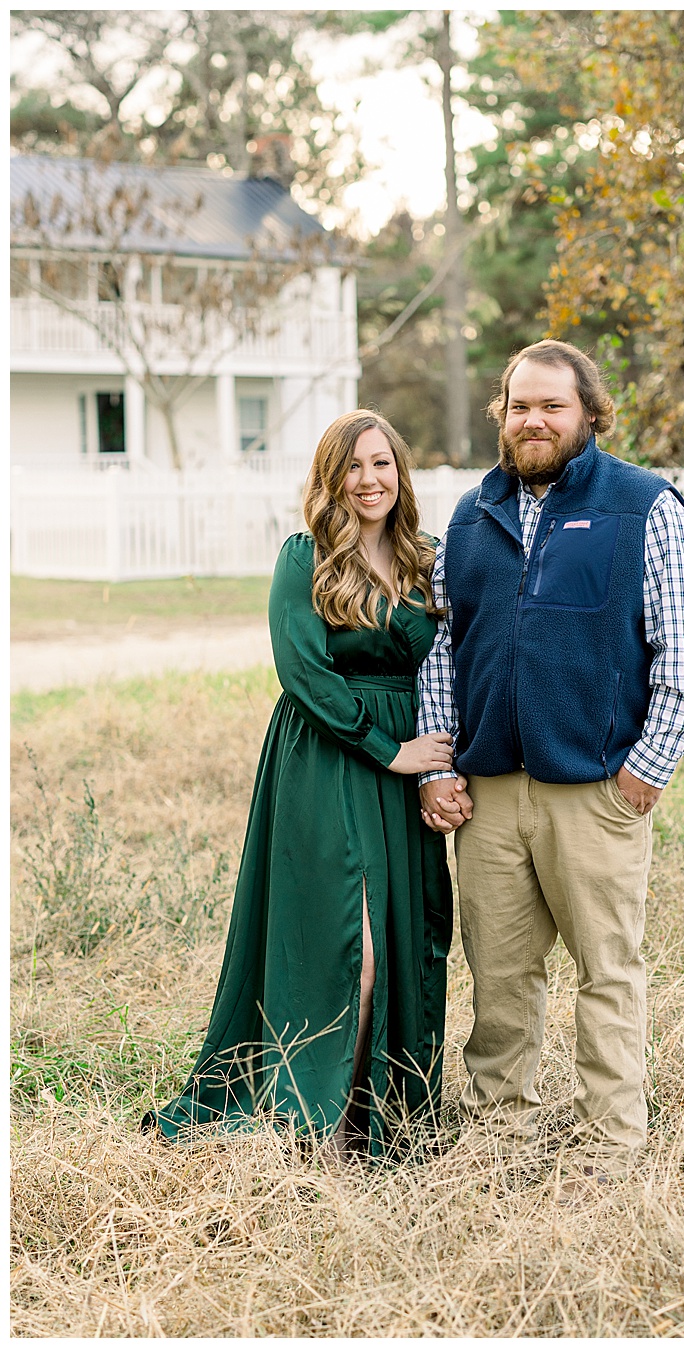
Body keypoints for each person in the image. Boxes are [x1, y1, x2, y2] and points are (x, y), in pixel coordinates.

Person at [415, 339, 684, 1184]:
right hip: (491, 792)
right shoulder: (471, 521)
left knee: (608, 973)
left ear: (588, 412)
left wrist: (645, 770)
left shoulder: (645, 506)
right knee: (500, 974)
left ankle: (612, 1150)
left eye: (552, 405)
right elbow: (443, 651)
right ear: (500, 416)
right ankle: (498, 1134)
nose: (534, 420)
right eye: (519, 406)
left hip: (595, 791)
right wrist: (440, 765)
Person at [147, 411, 457, 1157]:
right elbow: (304, 675)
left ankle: (377, 1114)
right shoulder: (306, 556)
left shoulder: (427, 558)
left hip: (410, 763)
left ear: (400, 472)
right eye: (353, 467)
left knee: (404, 929)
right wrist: (391, 750)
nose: (370, 480)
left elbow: (452, 660)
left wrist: (438, 762)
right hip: (330, 756)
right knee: (348, 939)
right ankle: (314, 1121)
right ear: (330, 478)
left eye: (382, 464)